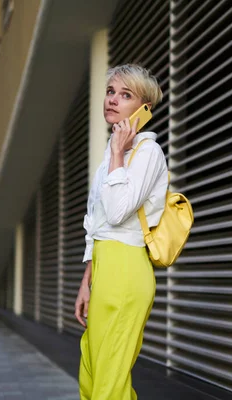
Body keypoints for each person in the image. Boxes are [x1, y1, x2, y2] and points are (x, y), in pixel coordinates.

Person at [74, 64, 167, 399]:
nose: (112, 100)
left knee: (108, 384)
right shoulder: (109, 157)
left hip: (127, 272)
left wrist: (117, 153)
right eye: (111, 91)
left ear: (144, 108)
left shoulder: (148, 154)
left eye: (125, 95)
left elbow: (116, 212)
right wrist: (87, 280)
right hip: (104, 270)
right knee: (92, 373)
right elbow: (96, 221)